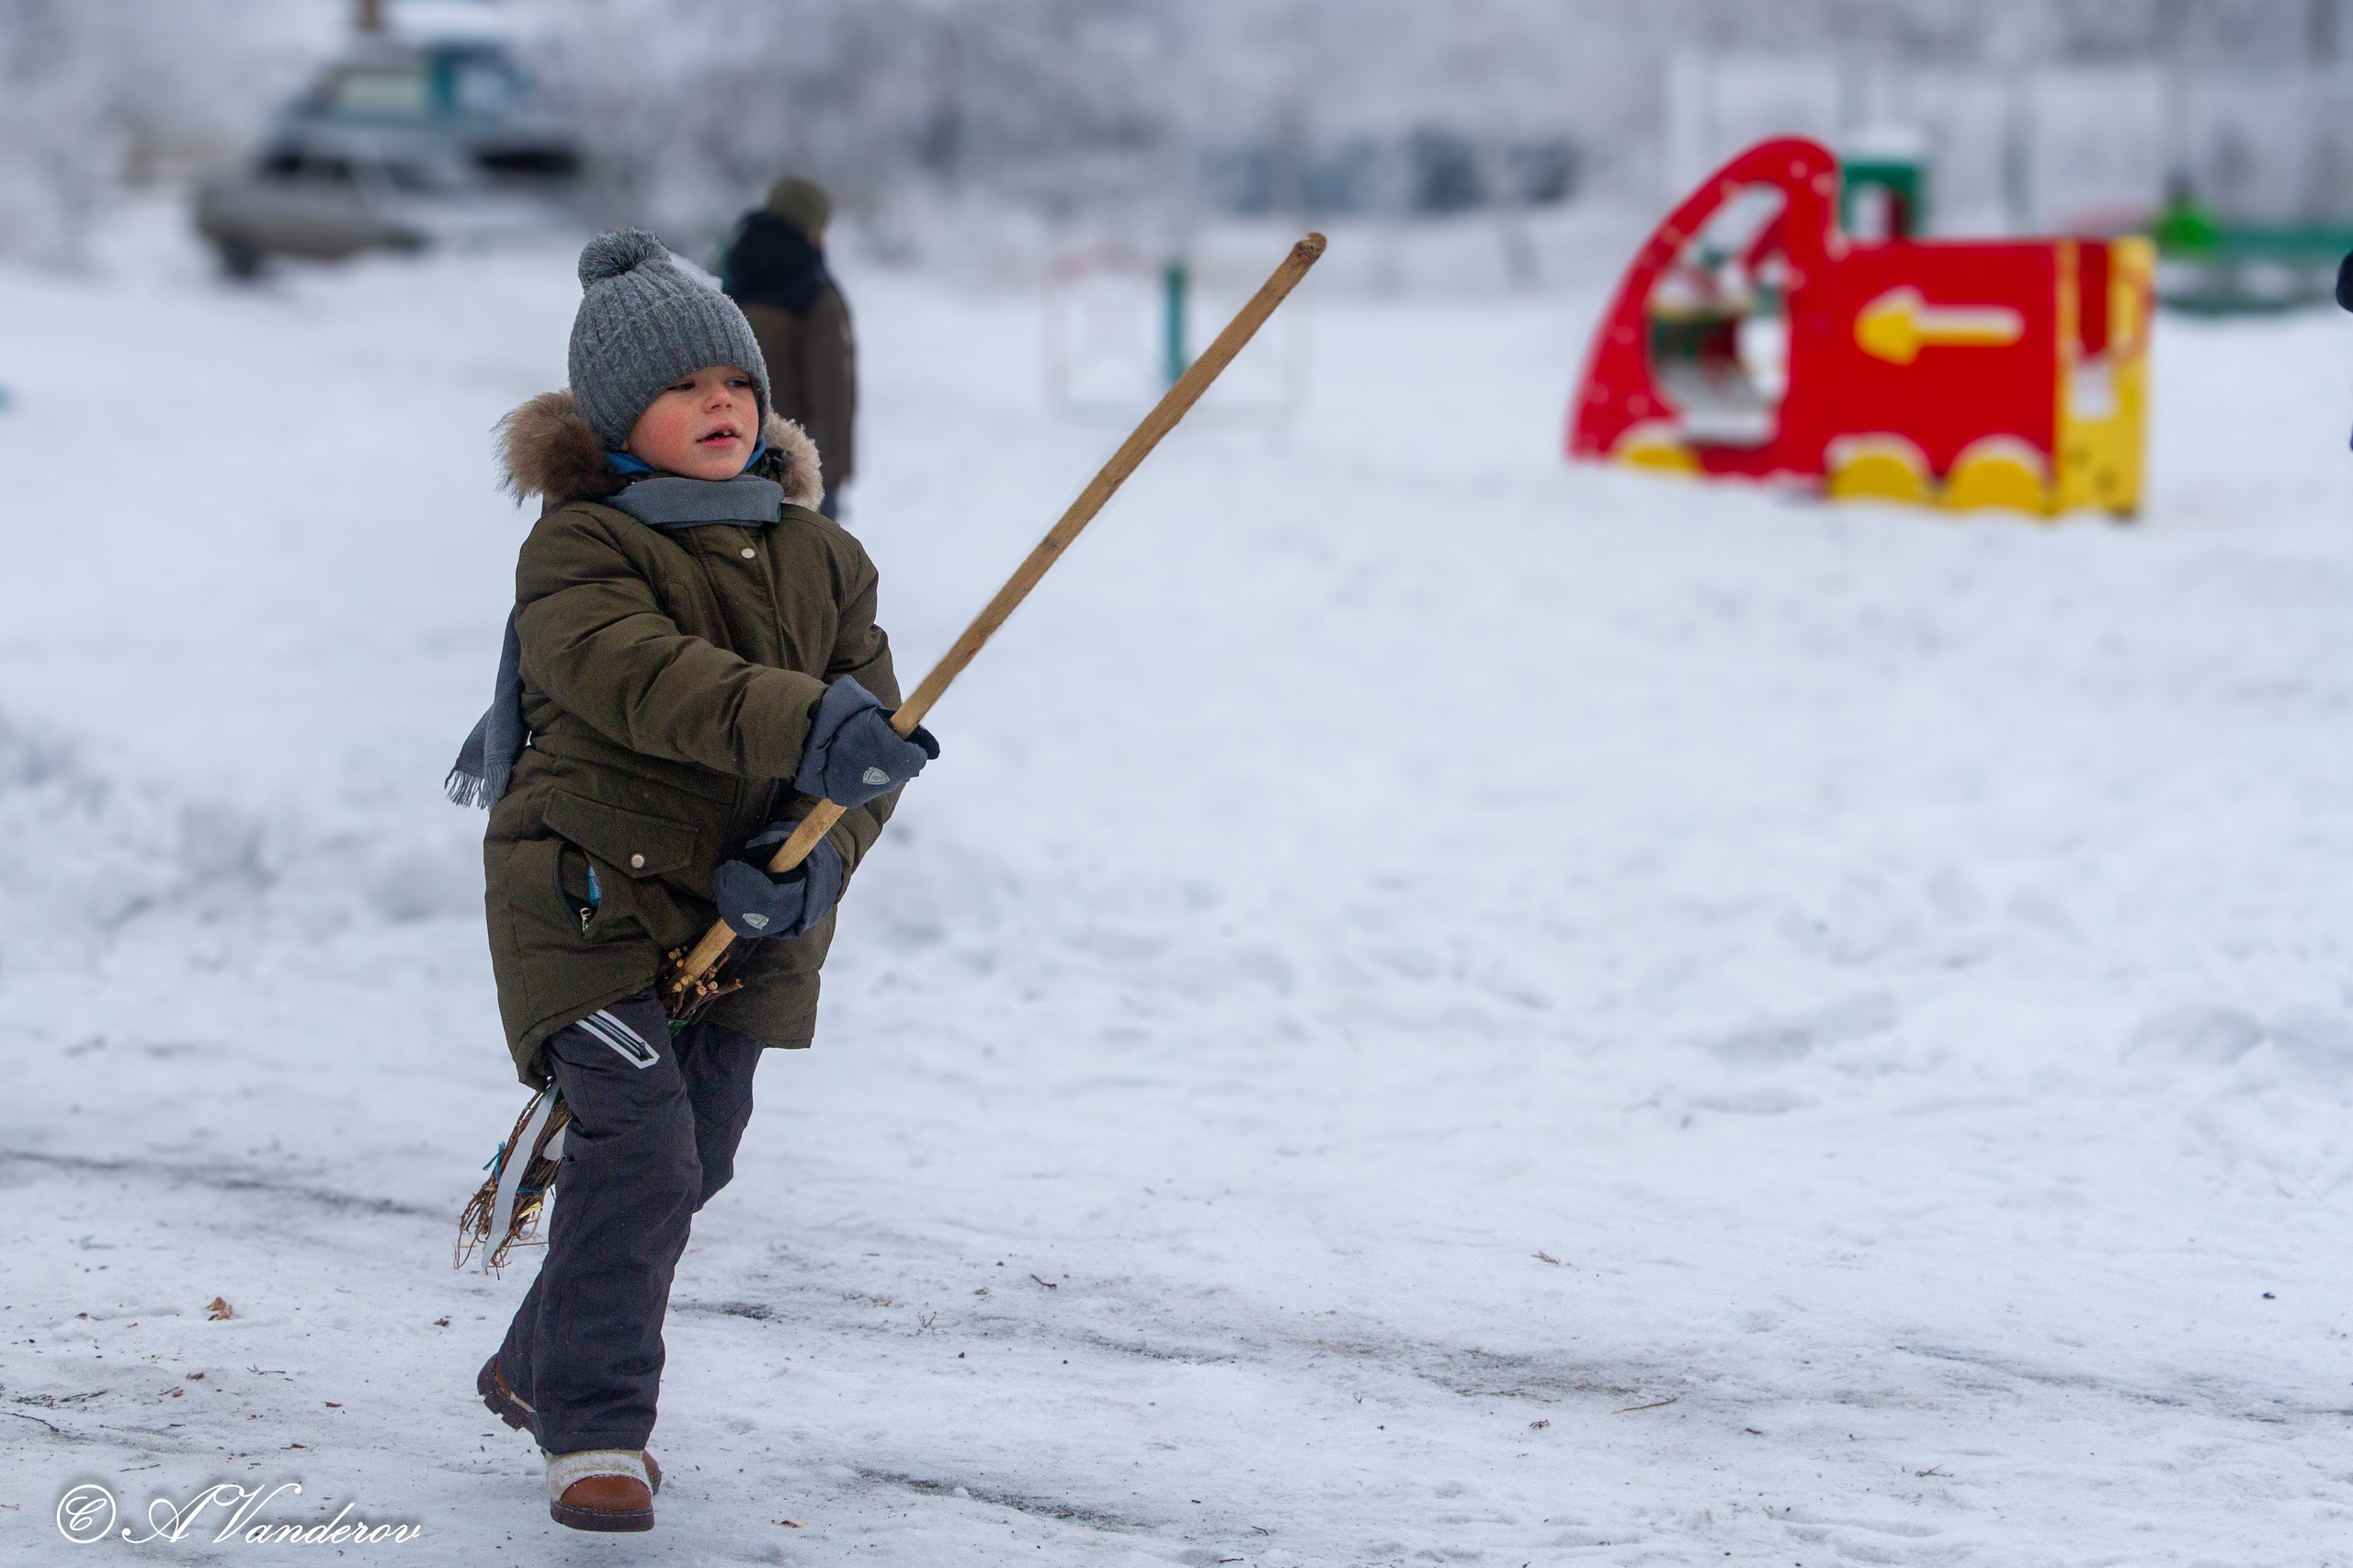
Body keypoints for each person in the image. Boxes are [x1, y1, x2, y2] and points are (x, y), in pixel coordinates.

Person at [448, 228, 937, 1533]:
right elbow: (639, 676)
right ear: (614, 419)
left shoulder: (824, 558)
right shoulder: (579, 552)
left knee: (696, 1149)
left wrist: (819, 861)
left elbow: (867, 761)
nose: (722, 405)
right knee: (641, 1140)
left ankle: (534, 1359)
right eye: (684, 388)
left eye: (737, 382)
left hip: (744, 910)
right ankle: (595, 1428)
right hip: (589, 898)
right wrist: (805, 722)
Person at [721, 176, 857, 518]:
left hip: (733, 456)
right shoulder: (816, 295)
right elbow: (831, 395)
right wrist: (829, 480)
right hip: (795, 464)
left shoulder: (731, 277)